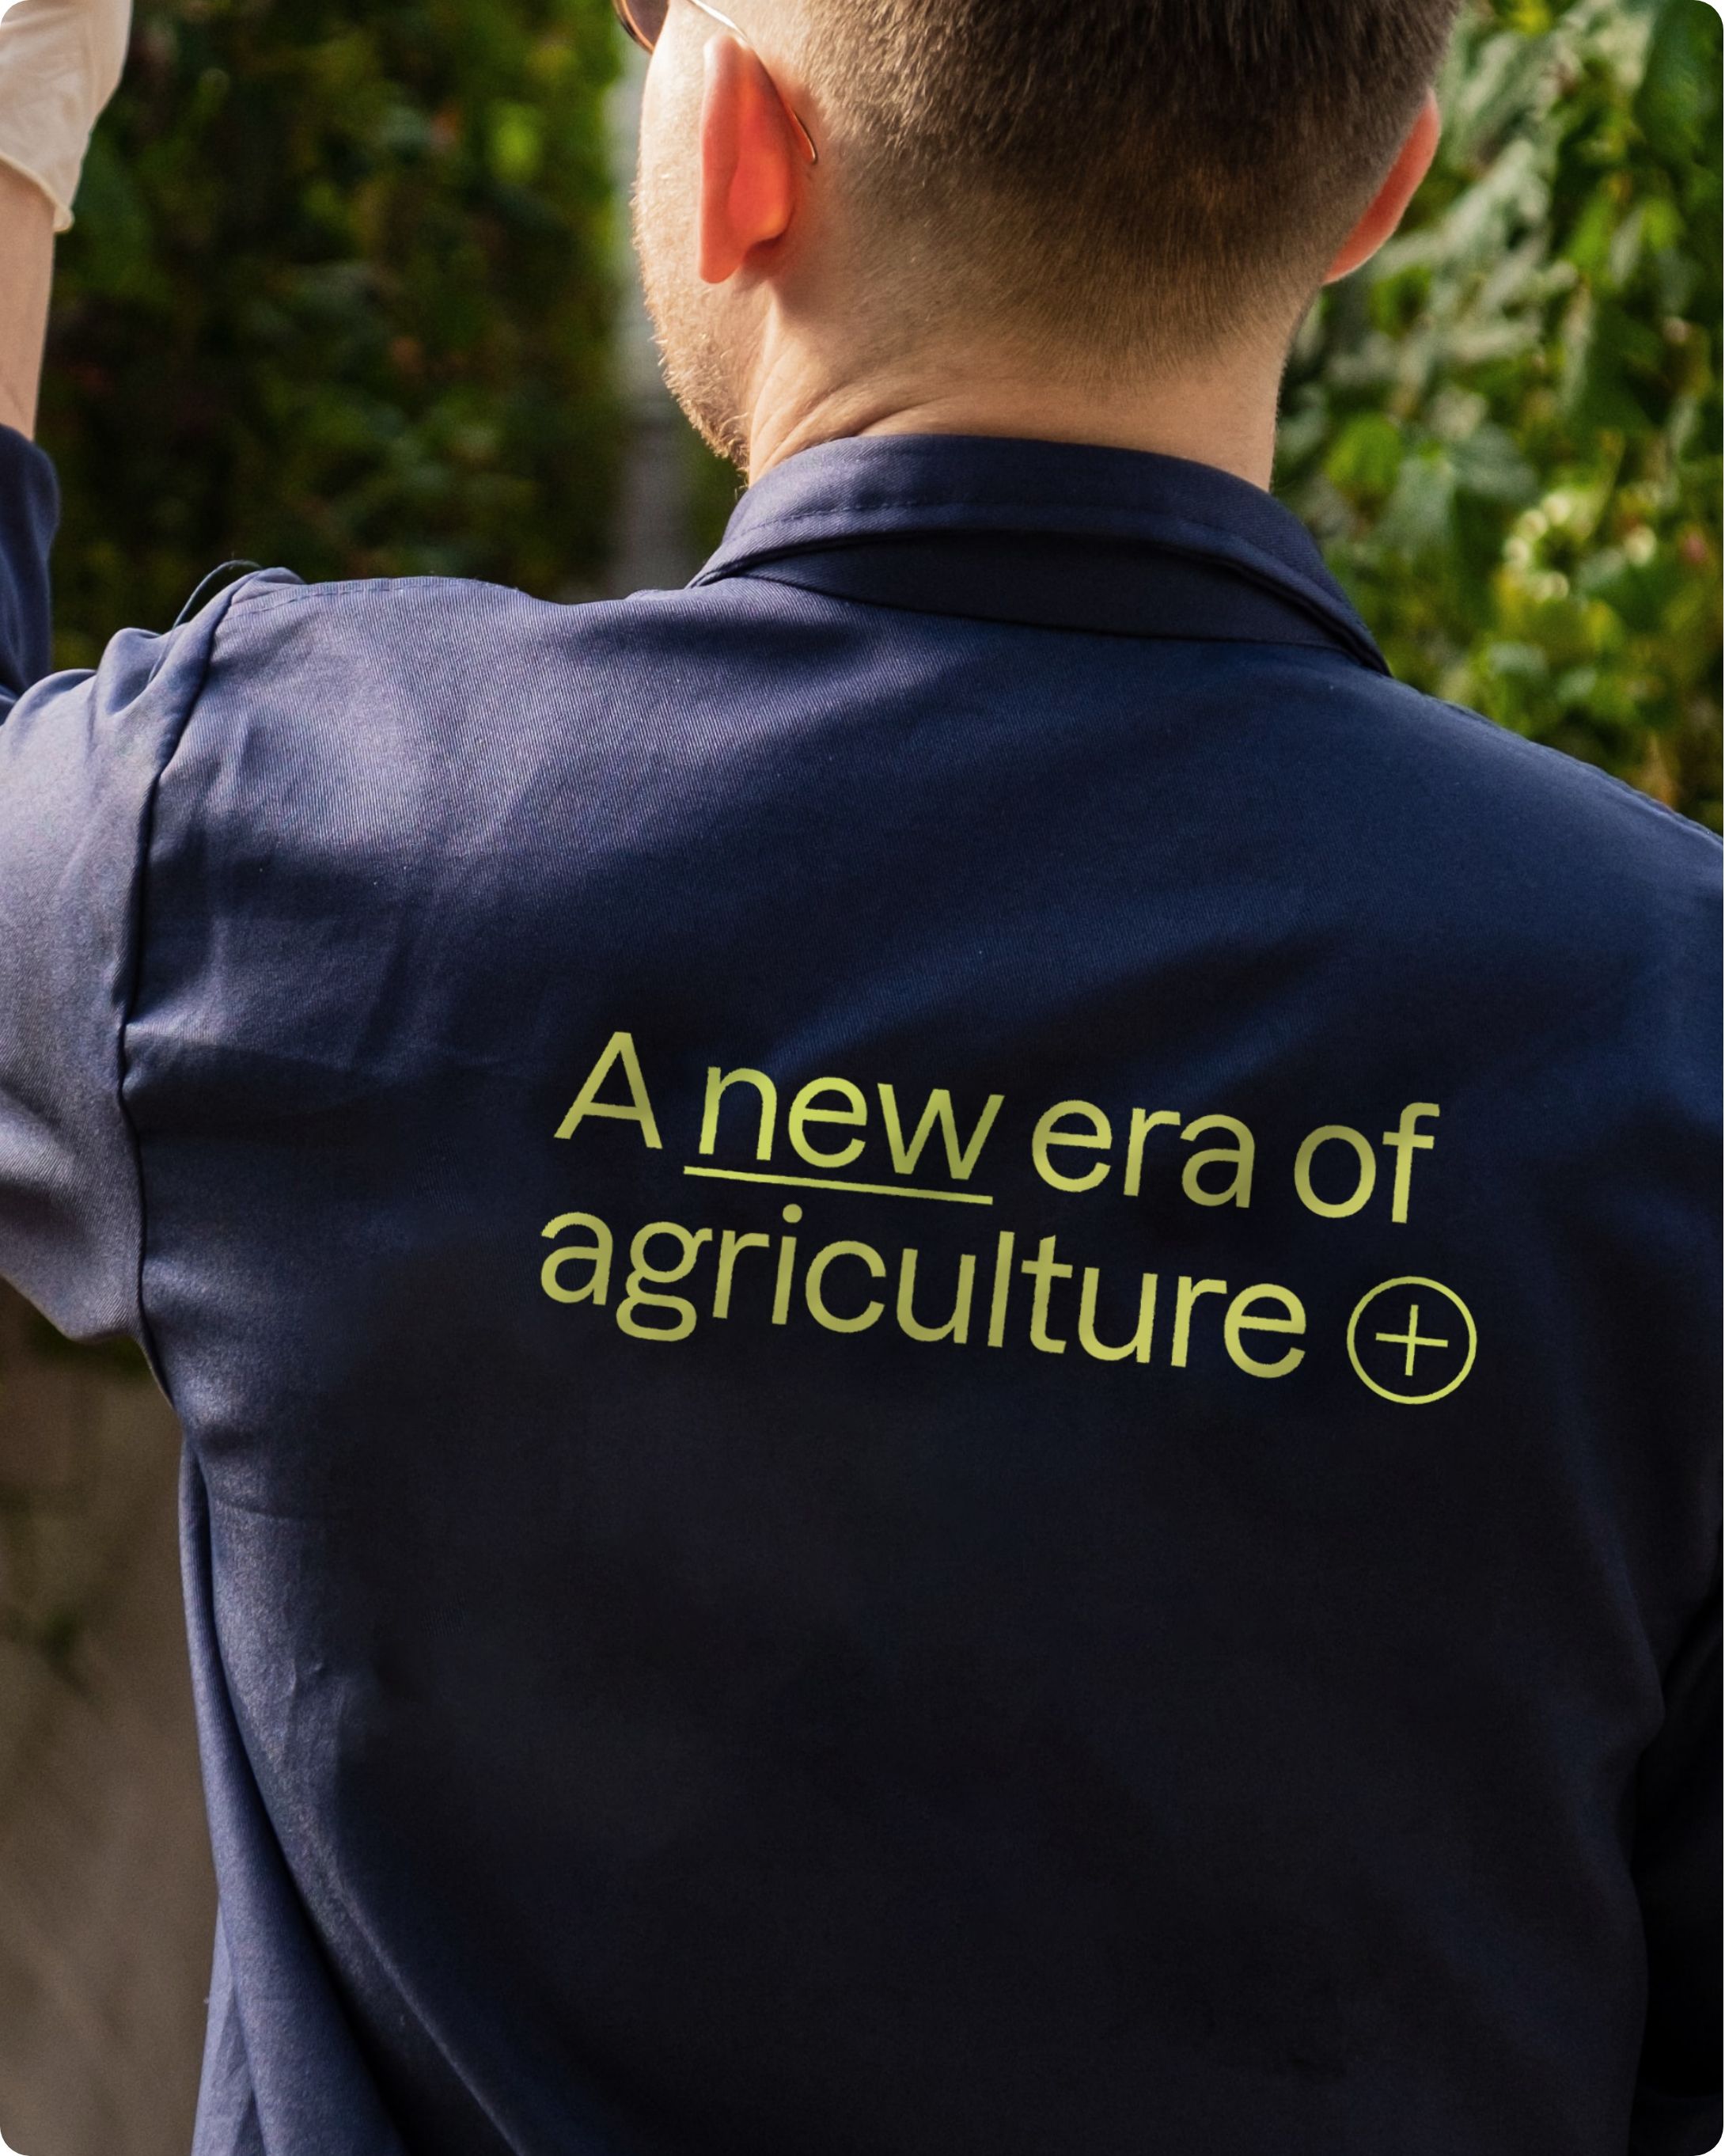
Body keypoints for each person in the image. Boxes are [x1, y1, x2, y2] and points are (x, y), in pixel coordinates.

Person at [0, 0, 1718, 2150]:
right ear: (1382, 193)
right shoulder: (1669, 1015)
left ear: (733, 149)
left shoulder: (274, 832)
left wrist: (17, 120)